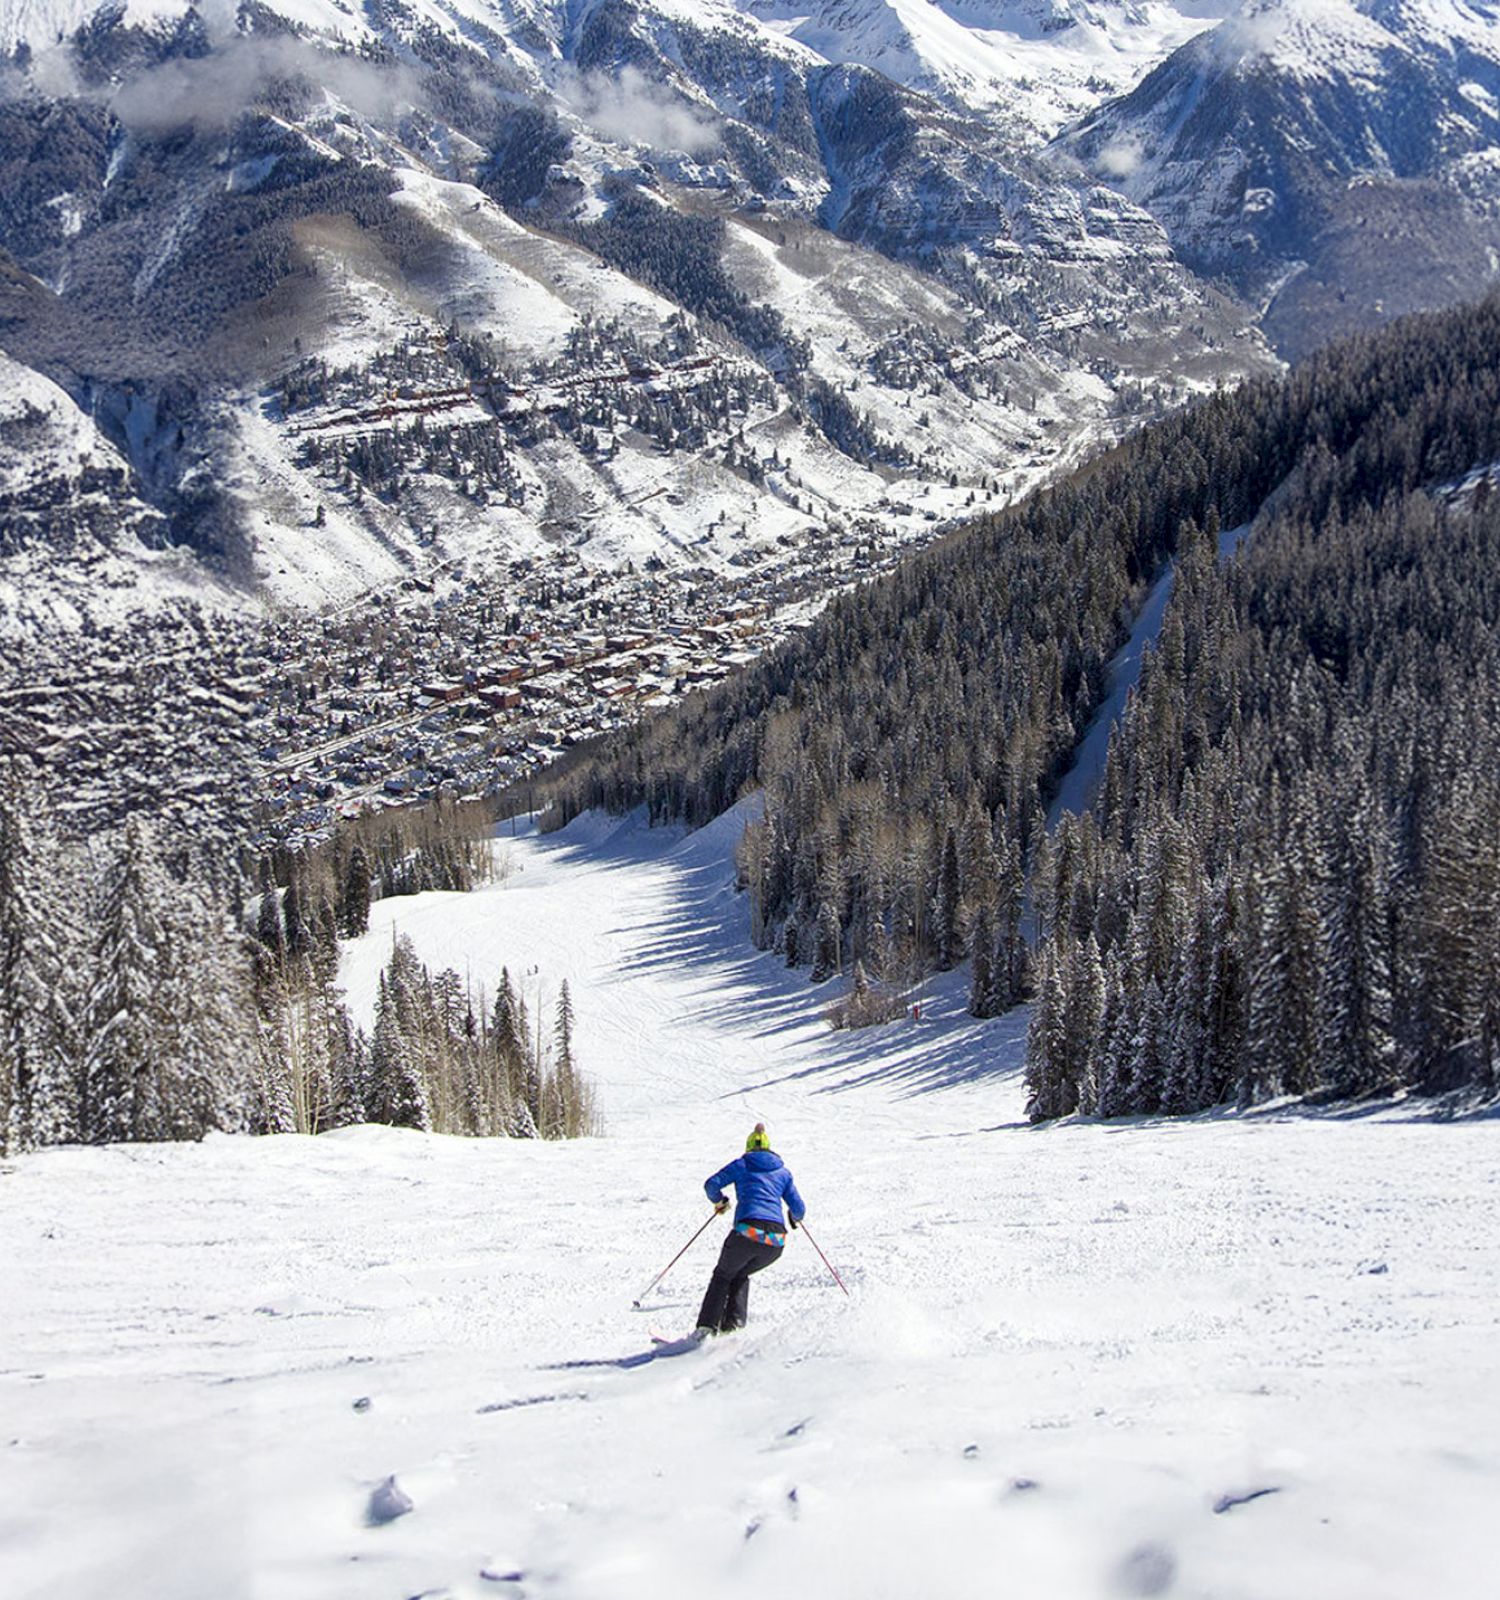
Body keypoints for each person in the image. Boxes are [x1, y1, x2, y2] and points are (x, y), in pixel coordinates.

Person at [695, 1123, 805, 1336]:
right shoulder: (783, 1173)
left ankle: (706, 1330)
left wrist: (720, 1202)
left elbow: (711, 1185)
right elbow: (799, 1209)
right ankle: (733, 1329)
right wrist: (794, 1217)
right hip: (775, 1241)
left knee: (722, 1275)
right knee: (739, 1273)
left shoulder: (742, 1165)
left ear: (748, 1148)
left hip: (747, 1232)